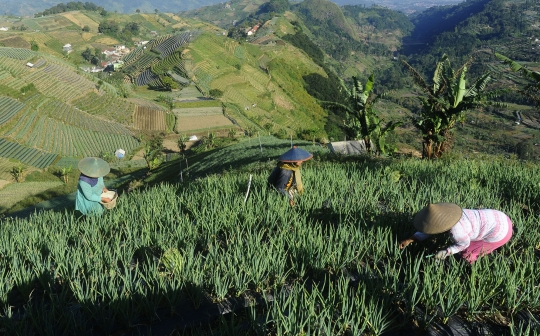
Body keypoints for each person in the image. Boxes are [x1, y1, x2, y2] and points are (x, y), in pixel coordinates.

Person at [399, 203, 513, 264]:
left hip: (500, 232)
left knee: (467, 254)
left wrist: (446, 252)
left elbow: (463, 244)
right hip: (498, 216)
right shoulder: (450, 214)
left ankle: (470, 273)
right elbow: (431, 229)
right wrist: (411, 239)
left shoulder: (457, 231)